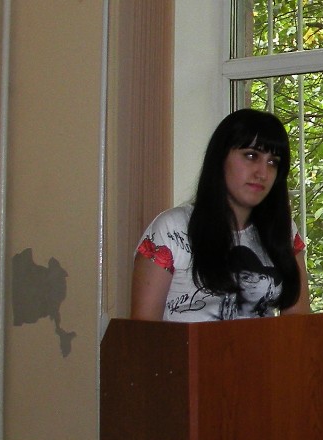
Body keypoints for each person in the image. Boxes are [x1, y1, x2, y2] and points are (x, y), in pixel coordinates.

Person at [130, 108, 310, 321]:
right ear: (220, 158)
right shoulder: (171, 229)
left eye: (273, 162)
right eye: (251, 156)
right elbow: (144, 333)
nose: (262, 173)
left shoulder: (283, 231)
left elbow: (298, 326)